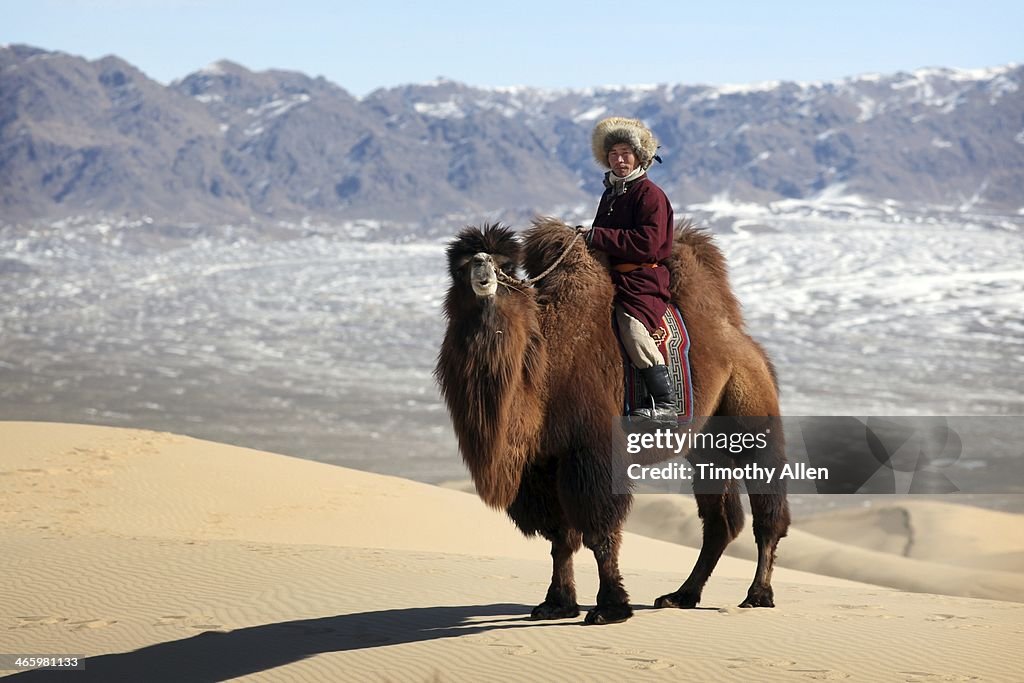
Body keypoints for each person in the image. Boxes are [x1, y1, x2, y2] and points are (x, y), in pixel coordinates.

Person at [578, 117, 676, 423]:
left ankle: (665, 403)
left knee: (631, 326)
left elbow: (648, 243)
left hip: (642, 280)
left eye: (625, 153)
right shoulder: (610, 194)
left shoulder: (650, 195)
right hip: (612, 279)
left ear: (639, 156)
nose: (619, 160)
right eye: (613, 154)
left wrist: (599, 237)